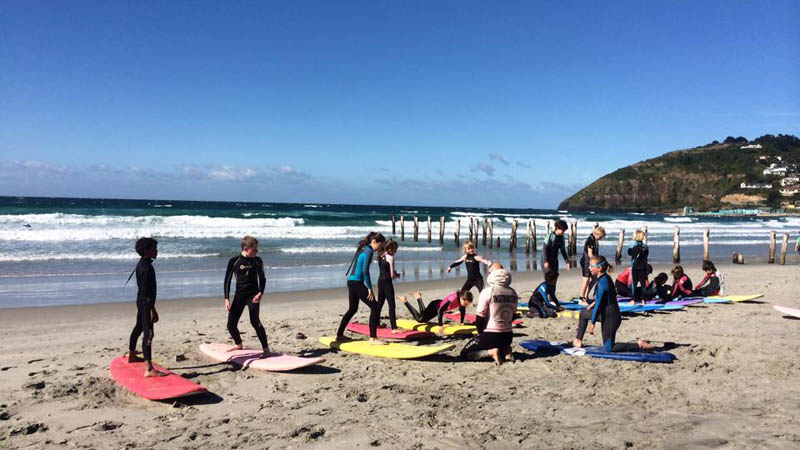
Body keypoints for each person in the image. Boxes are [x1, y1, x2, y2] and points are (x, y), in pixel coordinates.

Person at [572, 256, 653, 352]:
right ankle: (578, 340)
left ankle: (639, 345)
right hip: (604, 314)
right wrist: (594, 303)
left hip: (611, 318)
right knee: (584, 313)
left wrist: (592, 322)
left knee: (609, 348)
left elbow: (598, 305)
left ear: (599, 268)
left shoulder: (603, 281)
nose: (589, 268)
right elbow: (607, 296)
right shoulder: (603, 278)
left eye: (591, 266)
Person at [461, 262, 518, 365]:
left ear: (491, 274)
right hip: (508, 336)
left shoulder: (488, 292)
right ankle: (506, 350)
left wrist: (481, 335)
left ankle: (491, 352)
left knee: (465, 353)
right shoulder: (513, 293)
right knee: (499, 342)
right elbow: (513, 316)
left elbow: (479, 319)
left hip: (491, 335)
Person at [335, 232, 387, 344]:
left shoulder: (363, 248)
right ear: (374, 242)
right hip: (357, 283)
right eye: (380, 245)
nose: (380, 248)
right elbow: (365, 271)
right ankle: (373, 338)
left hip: (351, 282)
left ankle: (339, 335)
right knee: (374, 306)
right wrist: (369, 288)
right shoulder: (368, 251)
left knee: (352, 309)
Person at [223, 235, 270, 355]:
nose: (256, 251)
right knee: (231, 325)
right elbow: (227, 280)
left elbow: (263, 278)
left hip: (253, 296)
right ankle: (238, 344)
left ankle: (266, 349)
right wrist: (226, 298)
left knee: (255, 322)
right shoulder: (234, 261)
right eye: (254, 249)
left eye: (257, 249)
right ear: (246, 248)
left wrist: (260, 293)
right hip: (239, 296)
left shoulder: (257, 261)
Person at [127, 237, 166, 377]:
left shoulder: (142, 264)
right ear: (146, 251)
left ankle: (131, 354)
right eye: (154, 248)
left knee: (139, 327)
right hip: (145, 302)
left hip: (142, 301)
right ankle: (149, 368)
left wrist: (150, 307)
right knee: (148, 333)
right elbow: (145, 291)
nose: (157, 251)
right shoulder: (146, 268)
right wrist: (151, 309)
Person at [398, 290, 472, 332]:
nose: (465, 305)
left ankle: (418, 297)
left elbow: (462, 310)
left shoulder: (461, 300)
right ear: (462, 298)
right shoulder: (453, 298)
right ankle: (405, 301)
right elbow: (440, 311)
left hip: (437, 306)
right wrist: (440, 325)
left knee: (424, 316)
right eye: (465, 303)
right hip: (434, 306)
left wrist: (462, 322)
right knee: (419, 319)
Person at [377, 240, 401, 333]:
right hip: (387, 282)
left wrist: (394, 273)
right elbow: (391, 275)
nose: (395, 252)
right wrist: (396, 275)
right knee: (392, 305)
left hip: (380, 281)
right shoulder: (390, 258)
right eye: (395, 250)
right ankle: (394, 328)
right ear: (390, 249)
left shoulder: (380, 255)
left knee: (380, 303)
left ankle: (376, 323)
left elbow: (384, 268)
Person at [578, 226, 605, 302]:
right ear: (597, 234)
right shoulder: (590, 240)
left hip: (592, 262)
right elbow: (590, 254)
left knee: (594, 278)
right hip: (586, 262)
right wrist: (596, 263)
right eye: (601, 236)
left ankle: (586, 296)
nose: (601, 238)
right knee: (586, 280)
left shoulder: (595, 239)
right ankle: (581, 298)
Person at [628, 229, 650, 305]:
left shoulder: (632, 245)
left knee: (634, 283)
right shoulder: (646, 246)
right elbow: (646, 256)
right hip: (643, 266)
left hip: (635, 266)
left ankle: (633, 300)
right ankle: (643, 300)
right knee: (643, 284)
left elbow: (629, 253)